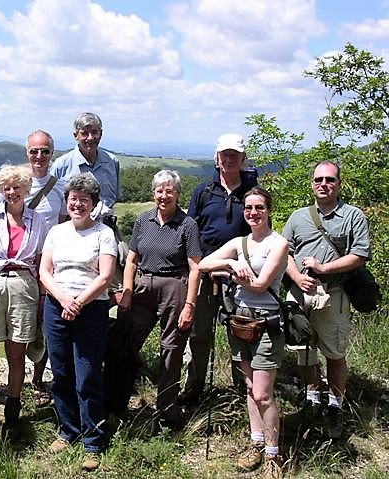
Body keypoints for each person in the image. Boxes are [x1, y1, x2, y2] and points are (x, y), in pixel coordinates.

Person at [199, 187, 287, 479]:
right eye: (248, 208)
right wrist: (230, 262)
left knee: (263, 393)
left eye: (259, 207)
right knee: (250, 388)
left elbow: (261, 285)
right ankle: (256, 442)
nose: (253, 213)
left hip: (266, 323)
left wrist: (230, 275)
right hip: (239, 320)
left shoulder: (279, 244)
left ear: (269, 210)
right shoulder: (239, 243)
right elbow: (203, 264)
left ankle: (274, 454)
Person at [104, 170, 201, 432]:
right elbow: (132, 260)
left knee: (171, 349)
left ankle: (167, 414)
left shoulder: (187, 225)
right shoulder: (142, 220)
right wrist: (126, 290)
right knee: (125, 342)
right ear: (153, 193)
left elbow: (195, 268)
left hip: (174, 287)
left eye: (170, 191)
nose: (164, 195)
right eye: (159, 190)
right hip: (142, 286)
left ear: (178, 194)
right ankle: (114, 404)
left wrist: (190, 305)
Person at [282, 161, 371, 439]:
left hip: (334, 295)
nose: (324, 184)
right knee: (304, 349)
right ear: (312, 184)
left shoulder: (353, 216)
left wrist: (324, 269)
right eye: (319, 179)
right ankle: (312, 396)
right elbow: (284, 252)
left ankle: (335, 403)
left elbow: (360, 255)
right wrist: (297, 277)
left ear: (338, 184)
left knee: (334, 352)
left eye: (330, 180)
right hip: (301, 293)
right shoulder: (298, 217)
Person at [39, 173, 117, 472]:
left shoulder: (103, 234)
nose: (78, 204)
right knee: (60, 372)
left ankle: (93, 440)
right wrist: (64, 301)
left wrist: (78, 303)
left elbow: (105, 276)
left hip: (92, 311)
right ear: (67, 201)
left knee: (87, 375)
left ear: (94, 204)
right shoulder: (57, 232)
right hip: (57, 308)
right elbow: (45, 272)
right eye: (74, 199)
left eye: (85, 200)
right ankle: (68, 430)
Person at [0, 164, 48, 440]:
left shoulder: (38, 221)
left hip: (25, 284)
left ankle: (13, 410)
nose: (12, 192)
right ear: (1, 190)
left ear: (26, 189)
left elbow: (41, 260)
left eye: (17, 187)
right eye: (7, 188)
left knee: (16, 355)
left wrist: (42, 297)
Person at [181, 133, 258, 404]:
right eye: (224, 154)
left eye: (234, 155)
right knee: (200, 334)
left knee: (240, 332)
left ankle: (243, 391)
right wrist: (200, 264)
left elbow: (259, 232)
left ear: (242, 159)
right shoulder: (204, 191)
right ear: (217, 158)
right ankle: (194, 388)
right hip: (204, 273)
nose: (228, 159)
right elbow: (190, 230)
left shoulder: (252, 194)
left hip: (240, 275)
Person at [0, 130, 66, 400]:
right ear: (27, 153)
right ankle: (16, 384)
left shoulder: (59, 186)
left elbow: (66, 222)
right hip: (15, 266)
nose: (39, 156)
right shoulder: (11, 183)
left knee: (41, 323)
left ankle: (37, 379)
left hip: (48, 263)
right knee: (19, 328)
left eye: (45, 151)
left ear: (52, 154)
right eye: (34, 151)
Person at [50, 112, 121, 221]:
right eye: (84, 133)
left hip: (106, 227)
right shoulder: (61, 165)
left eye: (94, 132)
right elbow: (53, 204)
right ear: (75, 135)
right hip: (73, 230)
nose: (90, 138)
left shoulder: (112, 162)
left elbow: (114, 197)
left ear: (101, 134)